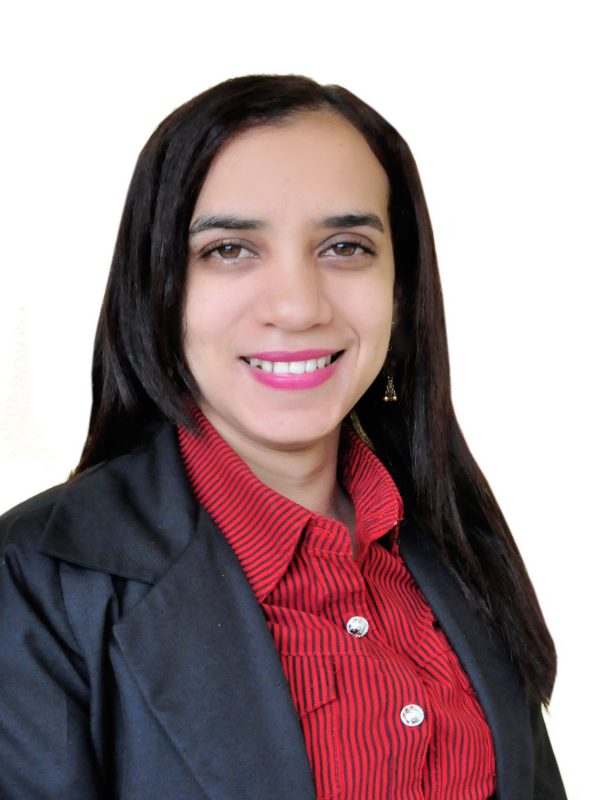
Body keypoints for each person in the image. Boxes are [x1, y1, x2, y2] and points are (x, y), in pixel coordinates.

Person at [0, 75, 566, 799]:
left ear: (401, 288)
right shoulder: (36, 584)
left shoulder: (454, 543)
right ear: (160, 286)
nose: (298, 307)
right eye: (230, 249)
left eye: (346, 246)